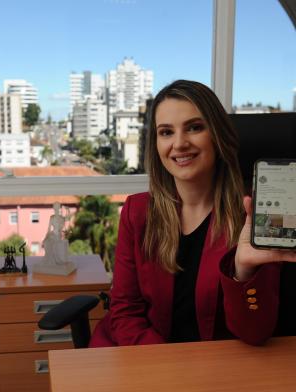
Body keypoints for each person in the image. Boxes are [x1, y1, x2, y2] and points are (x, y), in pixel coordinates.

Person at [89, 79, 296, 348]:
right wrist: (168, 369)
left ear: (218, 135)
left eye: (194, 128)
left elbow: (255, 333)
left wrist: (243, 271)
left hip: (216, 369)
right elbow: (126, 311)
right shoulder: (137, 212)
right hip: (145, 357)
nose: (179, 143)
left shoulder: (252, 218)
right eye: (166, 132)